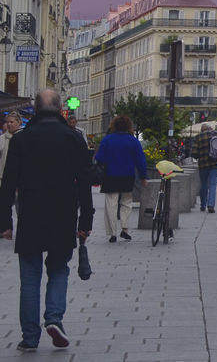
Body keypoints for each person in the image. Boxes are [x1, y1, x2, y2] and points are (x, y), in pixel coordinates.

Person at [0, 89, 94, 352]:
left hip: (30, 213)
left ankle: (30, 337)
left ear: (37, 109)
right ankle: (53, 318)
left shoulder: (21, 139)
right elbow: (85, 182)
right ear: (59, 107)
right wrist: (85, 220)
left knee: (29, 277)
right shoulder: (73, 138)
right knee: (58, 268)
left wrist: (5, 220)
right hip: (63, 213)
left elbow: (8, 183)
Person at [93, 115, 148, 243]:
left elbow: (100, 158)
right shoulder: (133, 141)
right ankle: (124, 228)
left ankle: (112, 233)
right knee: (126, 202)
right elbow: (140, 160)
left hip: (110, 175)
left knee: (111, 204)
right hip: (127, 175)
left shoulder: (107, 140)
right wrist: (143, 176)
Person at [190, 123, 217, 213]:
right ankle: (211, 205)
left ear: (201, 130)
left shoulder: (198, 137)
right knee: (213, 185)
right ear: (208, 129)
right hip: (214, 164)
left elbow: (194, 153)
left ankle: (203, 205)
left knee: (203, 185)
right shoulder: (214, 135)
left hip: (203, 165)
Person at [0, 113, 21, 181]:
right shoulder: (1, 138)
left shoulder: (24, 137)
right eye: (7, 122)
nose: (8, 124)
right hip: (2, 177)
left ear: (19, 122)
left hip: (19, 178)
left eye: (11, 122)